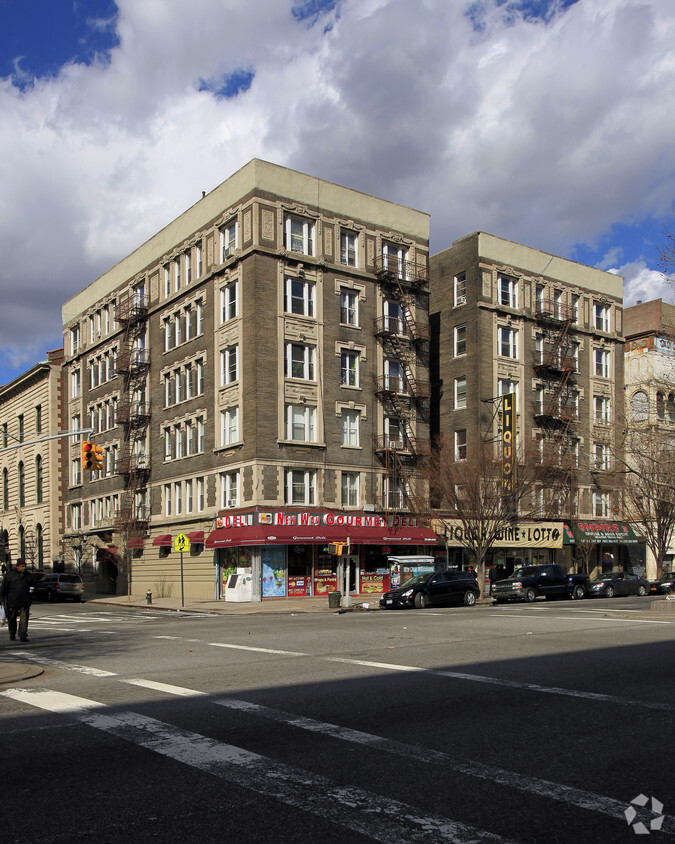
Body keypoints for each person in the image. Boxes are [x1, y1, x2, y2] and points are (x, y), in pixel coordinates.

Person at [1, 559, 36, 642]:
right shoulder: (10, 575)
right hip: (12, 601)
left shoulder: (29, 576)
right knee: (12, 618)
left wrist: (31, 594)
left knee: (24, 619)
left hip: (25, 601)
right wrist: (2, 598)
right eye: (22, 566)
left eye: (24, 566)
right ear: (17, 566)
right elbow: (4, 588)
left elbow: (33, 587)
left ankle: (22, 635)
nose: (23, 568)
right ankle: (12, 633)